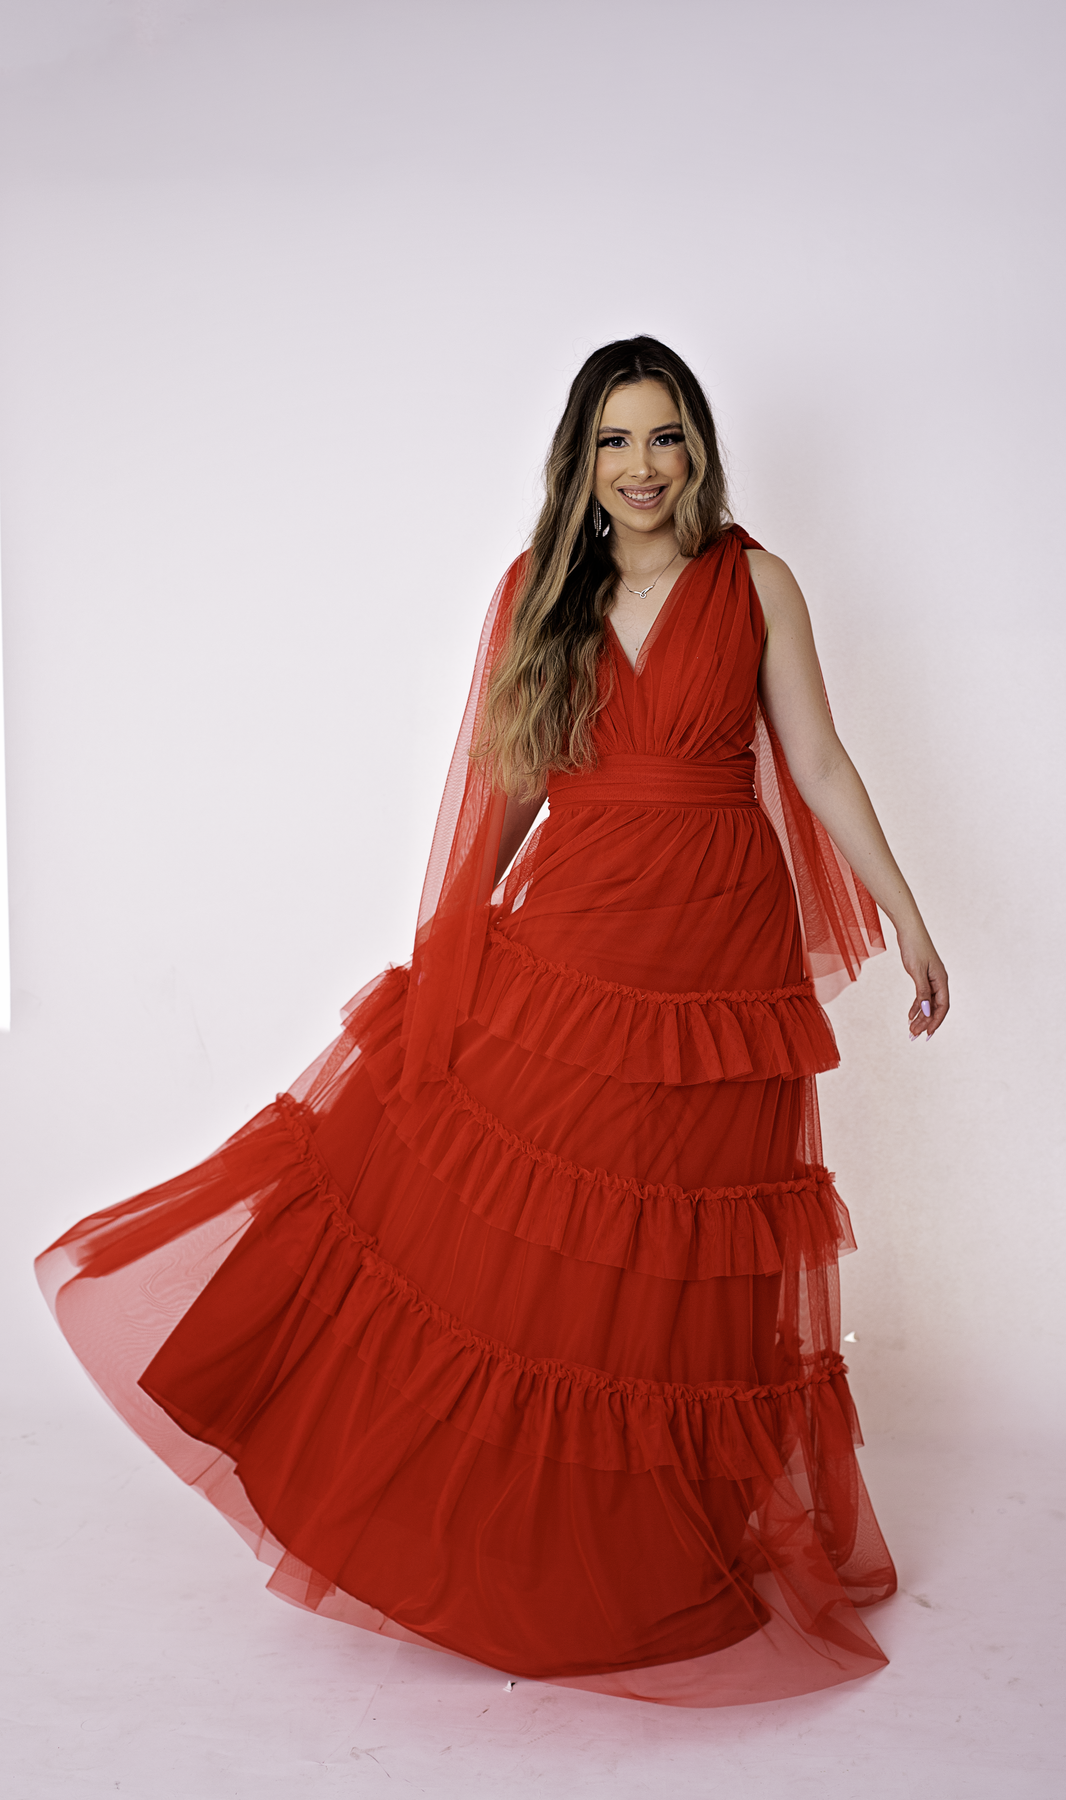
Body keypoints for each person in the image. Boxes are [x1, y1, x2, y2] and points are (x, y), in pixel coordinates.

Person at [36, 336, 948, 1708]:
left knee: (677, 1257)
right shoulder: (539, 592)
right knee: (551, 1248)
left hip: (720, 960)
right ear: (580, 461)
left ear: (699, 449)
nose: (643, 467)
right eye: (616, 441)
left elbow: (815, 760)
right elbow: (505, 789)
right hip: (578, 937)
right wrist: (450, 962)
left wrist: (908, 918)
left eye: (665, 436)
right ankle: (535, 1546)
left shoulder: (758, 584)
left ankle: (664, 1548)